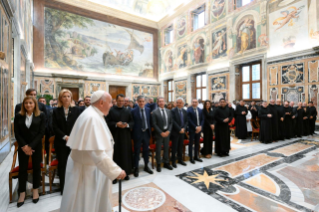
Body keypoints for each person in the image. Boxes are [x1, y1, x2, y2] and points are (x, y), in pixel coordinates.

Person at [60, 90, 126, 212]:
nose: (112, 105)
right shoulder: (91, 117)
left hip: (92, 168)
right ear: (101, 102)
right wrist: (116, 171)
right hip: (87, 172)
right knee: (86, 204)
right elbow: (97, 152)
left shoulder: (94, 114)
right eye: (110, 102)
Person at [14, 96, 46, 207]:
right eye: (26, 103)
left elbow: (41, 132)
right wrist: (24, 146)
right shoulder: (19, 116)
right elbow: (17, 133)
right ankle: (22, 193)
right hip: (23, 147)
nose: (28, 105)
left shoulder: (41, 115)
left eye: (30, 103)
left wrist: (31, 146)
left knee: (36, 168)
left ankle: (35, 190)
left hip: (36, 146)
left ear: (35, 104)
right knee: (22, 169)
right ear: (23, 104)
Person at [52, 89, 82, 194]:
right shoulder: (56, 111)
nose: (66, 98)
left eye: (68, 96)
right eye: (64, 96)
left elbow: (79, 125)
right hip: (61, 142)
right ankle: (64, 187)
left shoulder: (77, 110)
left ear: (71, 98)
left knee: (74, 164)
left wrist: (72, 137)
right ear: (60, 98)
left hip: (74, 142)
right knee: (63, 164)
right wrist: (65, 137)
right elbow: (54, 127)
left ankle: (74, 186)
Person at [106, 94, 134, 182]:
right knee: (115, 156)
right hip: (115, 136)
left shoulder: (127, 110)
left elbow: (132, 121)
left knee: (125, 155)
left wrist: (127, 125)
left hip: (125, 136)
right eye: (119, 101)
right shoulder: (111, 110)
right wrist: (115, 124)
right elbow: (107, 122)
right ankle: (114, 176)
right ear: (116, 100)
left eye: (123, 101)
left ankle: (125, 174)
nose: (121, 102)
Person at [131, 95, 153, 177]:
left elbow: (150, 121)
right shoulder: (133, 111)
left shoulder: (148, 110)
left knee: (146, 150)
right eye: (140, 101)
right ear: (137, 102)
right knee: (137, 151)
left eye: (143, 101)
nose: (141, 103)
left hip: (146, 133)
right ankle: (136, 167)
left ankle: (146, 166)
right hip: (137, 134)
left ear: (145, 102)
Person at [152, 97, 173, 171]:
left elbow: (171, 122)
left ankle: (166, 163)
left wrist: (168, 131)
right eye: (159, 101)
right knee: (158, 149)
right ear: (158, 103)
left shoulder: (168, 111)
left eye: (162, 101)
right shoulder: (155, 112)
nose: (161, 103)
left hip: (167, 132)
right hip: (159, 133)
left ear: (164, 102)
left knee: (166, 148)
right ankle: (158, 164)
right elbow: (154, 124)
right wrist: (161, 132)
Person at [171, 98, 188, 167]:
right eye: (177, 102)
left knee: (180, 146)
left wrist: (184, 128)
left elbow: (186, 121)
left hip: (182, 131)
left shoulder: (184, 111)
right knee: (174, 147)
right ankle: (173, 161)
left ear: (183, 103)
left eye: (180, 103)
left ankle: (180, 159)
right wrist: (179, 129)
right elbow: (173, 121)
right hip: (175, 131)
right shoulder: (173, 111)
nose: (179, 104)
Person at [187, 99, 204, 163]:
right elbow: (189, 120)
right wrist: (196, 127)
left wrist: (200, 126)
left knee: (197, 143)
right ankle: (191, 157)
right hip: (192, 129)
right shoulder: (189, 110)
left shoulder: (200, 110)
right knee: (191, 143)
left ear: (197, 103)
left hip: (199, 129)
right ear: (191, 103)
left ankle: (196, 156)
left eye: (195, 102)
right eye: (193, 102)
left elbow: (202, 119)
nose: (194, 103)